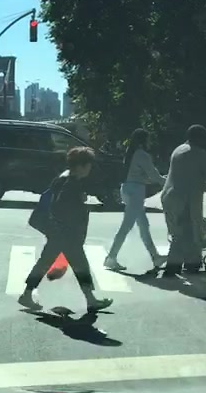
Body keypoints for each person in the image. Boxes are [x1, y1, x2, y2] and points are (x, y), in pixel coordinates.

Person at [19, 147, 114, 313]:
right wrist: (76, 212)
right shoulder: (71, 183)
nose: (90, 169)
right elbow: (61, 206)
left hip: (59, 232)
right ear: (81, 166)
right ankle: (90, 300)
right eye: (88, 165)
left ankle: (27, 294)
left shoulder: (64, 178)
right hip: (66, 233)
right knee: (79, 265)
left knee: (47, 262)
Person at [160, 124, 206, 276]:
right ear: (200, 139)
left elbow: (191, 175)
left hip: (169, 197)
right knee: (186, 233)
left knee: (181, 232)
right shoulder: (198, 153)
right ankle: (174, 267)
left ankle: (191, 263)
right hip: (184, 200)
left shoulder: (178, 150)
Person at [105, 128, 166, 273]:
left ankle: (155, 257)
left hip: (128, 189)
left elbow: (143, 175)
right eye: (148, 139)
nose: (150, 142)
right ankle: (111, 257)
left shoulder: (130, 152)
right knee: (127, 226)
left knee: (143, 225)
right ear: (143, 141)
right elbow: (154, 175)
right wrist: (168, 181)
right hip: (136, 192)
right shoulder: (142, 155)